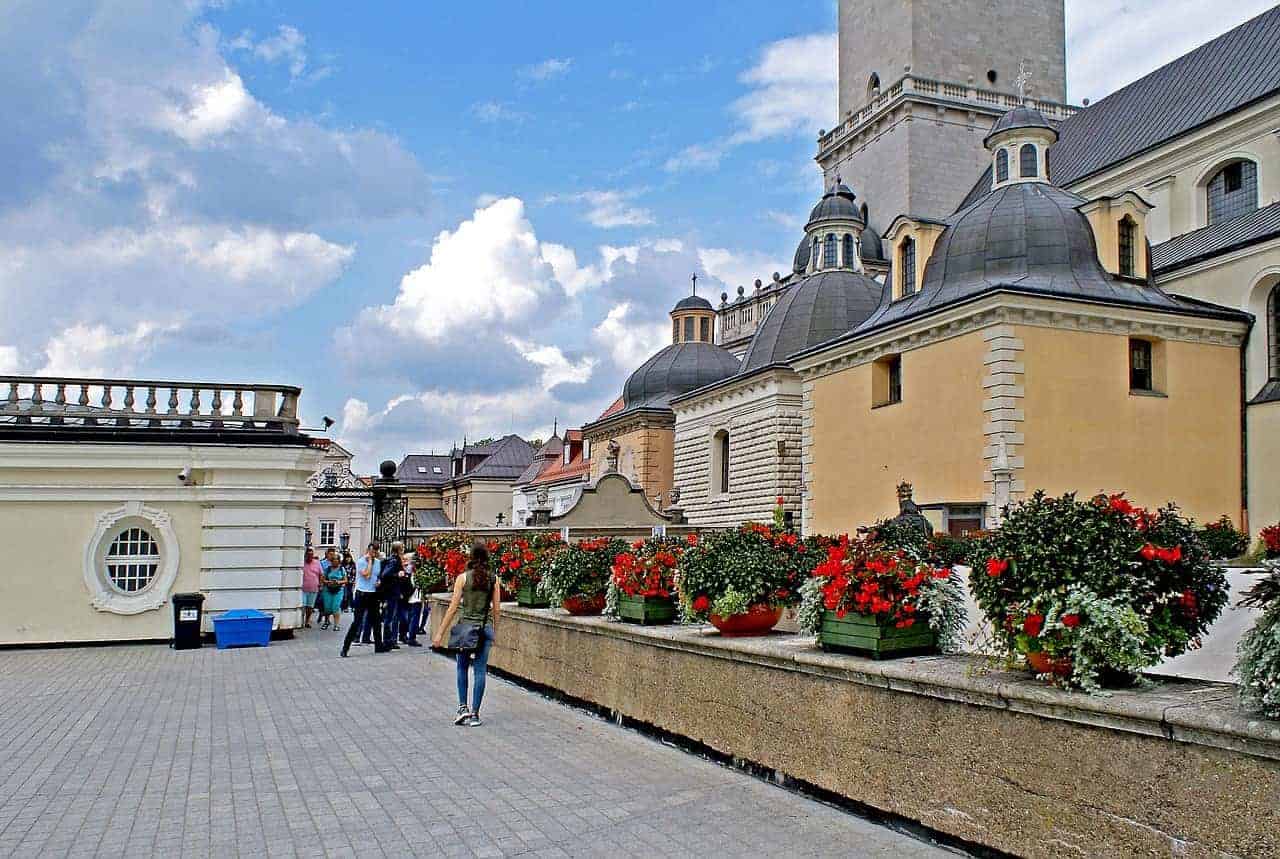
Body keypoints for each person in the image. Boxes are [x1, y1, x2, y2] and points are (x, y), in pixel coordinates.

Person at [433, 543, 501, 727]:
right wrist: (496, 632)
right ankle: (475, 714)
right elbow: (497, 610)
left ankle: (462, 707)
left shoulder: (462, 578)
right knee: (480, 670)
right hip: (484, 628)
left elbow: (453, 607)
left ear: (470, 558)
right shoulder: (494, 580)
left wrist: (440, 633)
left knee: (462, 667)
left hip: (465, 628)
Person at [341, 543, 386, 657]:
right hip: (361, 594)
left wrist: (379, 582)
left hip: (373, 594)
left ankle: (379, 646)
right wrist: (370, 561)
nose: (374, 554)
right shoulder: (361, 562)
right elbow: (367, 575)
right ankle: (345, 648)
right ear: (368, 550)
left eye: (375, 552)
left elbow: (377, 576)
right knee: (357, 622)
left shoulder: (378, 563)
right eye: (372, 552)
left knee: (376, 621)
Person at [380, 541, 405, 646]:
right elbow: (385, 574)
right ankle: (387, 640)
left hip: (393, 591)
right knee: (390, 616)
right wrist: (397, 574)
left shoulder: (394, 559)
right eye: (402, 547)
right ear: (398, 549)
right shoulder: (394, 560)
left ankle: (389, 640)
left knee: (391, 616)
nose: (403, 549)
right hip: (391, 591)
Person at [399, 552, 422, 647]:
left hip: (412, 596)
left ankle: (405, 635)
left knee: (409, 618)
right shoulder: (407, 570)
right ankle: (410, 637)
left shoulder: (411, 569)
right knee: (412, 618)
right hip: (411, 597)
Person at [320, 549, 345, 631]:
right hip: (328, 589)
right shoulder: (327, 569)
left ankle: (336, 624)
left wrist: (338, 582)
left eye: (336, 560)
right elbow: (323, 579)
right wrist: (328, 582)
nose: (334, 562)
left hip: (338, 590)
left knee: (336, 606)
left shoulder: (342, 569)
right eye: (333, 560)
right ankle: (326, 621)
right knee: (327, 607)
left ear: (339, 561)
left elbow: (346, 580)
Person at [300, 548, 322, 629]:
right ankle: (301, 621)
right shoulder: (302, 563)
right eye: (308, 555)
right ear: (305, 555)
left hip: (313, 588)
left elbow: (321, 574)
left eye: (311, 555)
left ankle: (307, 621)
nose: (310, 556)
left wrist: (321, 584)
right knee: (303, 605)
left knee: (310, 606)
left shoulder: (317, 563)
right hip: (302, 588)